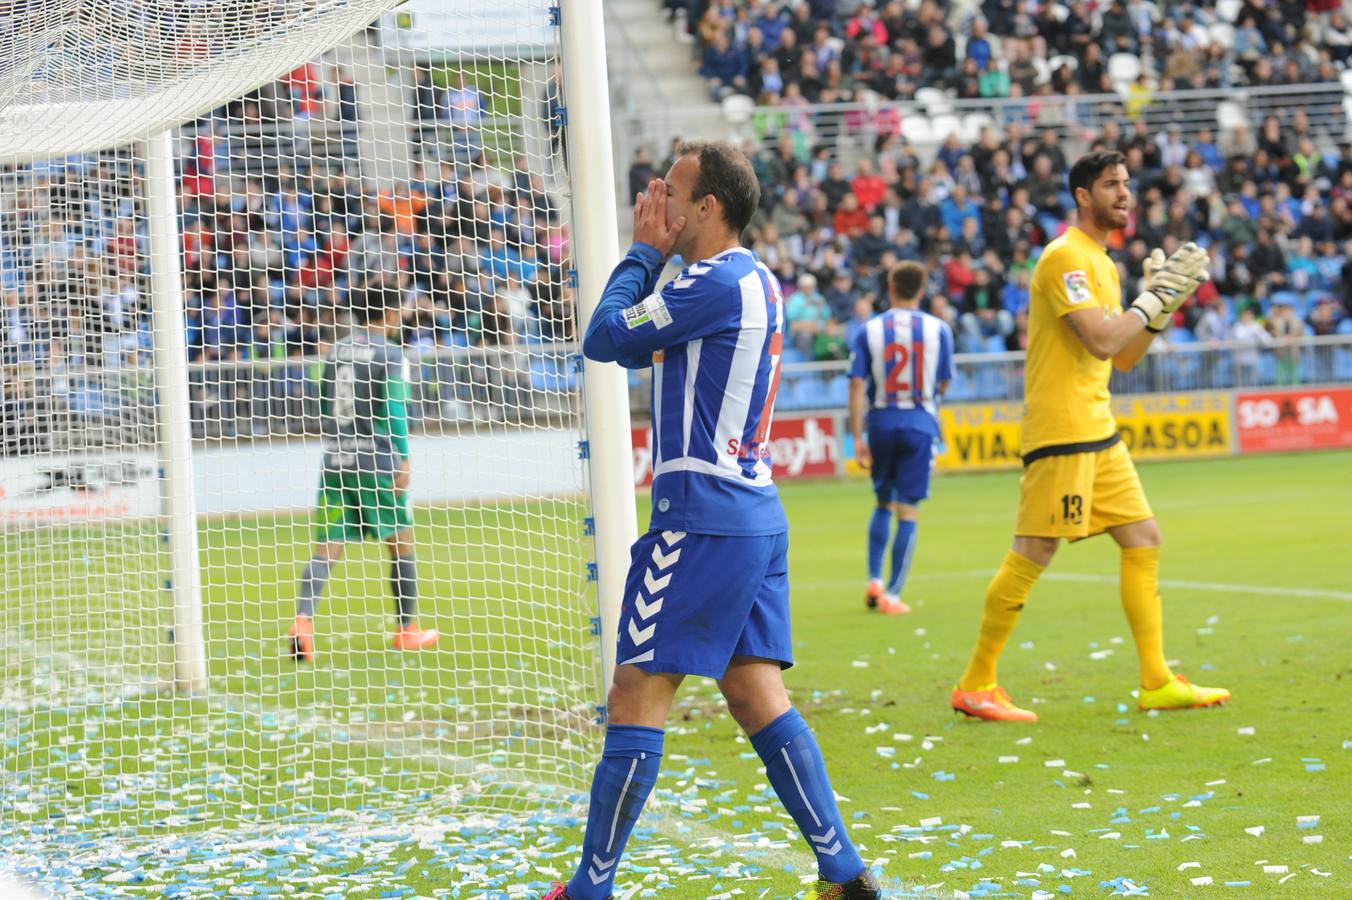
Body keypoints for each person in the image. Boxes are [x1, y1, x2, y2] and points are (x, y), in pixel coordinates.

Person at [543, 142, 879, 900]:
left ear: (709, 208)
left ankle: (590, 890)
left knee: (635, 696)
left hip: (698, 518)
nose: (659, 195)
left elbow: (604, 339)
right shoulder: (753, 279)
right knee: (756, 693)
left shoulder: (710, 281)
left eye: (675, 188)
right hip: (754, 513)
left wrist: (640, 251)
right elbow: (642, 350)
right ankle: (844, 873)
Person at [950, 151, 1230, 722]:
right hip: (1064, 428)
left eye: (1126, 185)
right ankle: (976, 683)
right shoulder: (1064, 259)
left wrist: (1159, 310)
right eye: (1111, 186)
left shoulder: (1102, 262)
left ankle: (1155, 680)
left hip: (1096, 427)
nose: (1124, 194)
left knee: (1143, 538)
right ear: (1083, 195)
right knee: (1035, 550)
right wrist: (1148, 302)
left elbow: (1124, 355)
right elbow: (1102, 340)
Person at [286, 285, 439, 662]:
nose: (403, 316)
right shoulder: (391, 354)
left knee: (327, 547)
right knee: (401, 542)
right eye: (400, 310)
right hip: (378, 460)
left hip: (336, 460)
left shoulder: (336, 349)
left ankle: (302, 622)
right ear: (388, 314)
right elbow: (395, 408)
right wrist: (402, 458)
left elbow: (323, 398)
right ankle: (406, 630)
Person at [847, 260, 953, 614]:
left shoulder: (870, 329)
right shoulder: (939, 330)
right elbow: (943, 383)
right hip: (919, 422)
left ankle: (874, 578)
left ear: (890, 288)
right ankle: (892, 595)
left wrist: (857, 435)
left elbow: (857, 384)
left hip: (880, 422)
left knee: (882, 502)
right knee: (908, 511)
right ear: (921, 291)